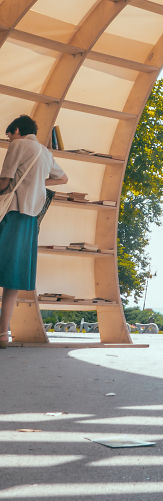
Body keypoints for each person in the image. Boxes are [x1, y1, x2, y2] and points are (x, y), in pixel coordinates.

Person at [0, 115, 68, 346]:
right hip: (30, 219)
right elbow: (63, 178)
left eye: (9, 136)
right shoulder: (45, 153)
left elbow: (4, 181)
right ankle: (3, 334)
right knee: (12, 279)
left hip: (10, 213)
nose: (10, 141)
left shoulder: (18, 145)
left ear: (16, 130)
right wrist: (37, 181)